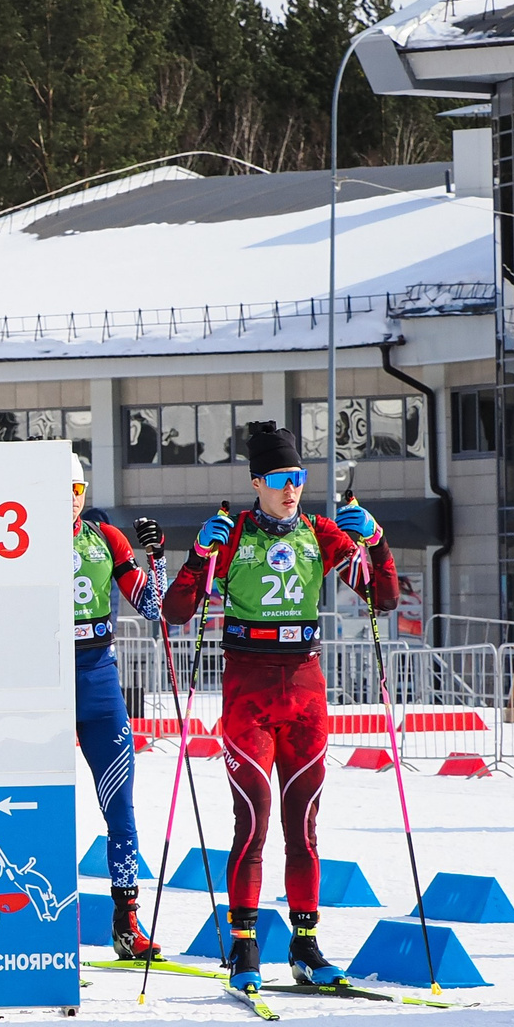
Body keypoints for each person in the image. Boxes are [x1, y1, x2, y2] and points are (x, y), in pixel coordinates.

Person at [161, 423, 396, 995]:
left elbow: (381, 598)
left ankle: (305, 944)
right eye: (281, 480)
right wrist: (196, 553)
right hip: (249, 689)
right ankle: (243, 947)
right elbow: (176, 611)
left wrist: (378, 540)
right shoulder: (233, 533)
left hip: (307, 689)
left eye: (299, 479)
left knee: (304, 824)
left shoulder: (321, 532)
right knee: (254, 816)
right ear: (256, 482)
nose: (292, 490)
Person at [67, 457, 169, 960]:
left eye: (79, 486)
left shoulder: (105, 537)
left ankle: (126, 921)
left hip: (99, 679)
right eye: (62, 487)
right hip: (44, 683)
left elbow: (152, 606)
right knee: (42, 802)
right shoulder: (19, 540)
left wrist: (158, 557)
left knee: (120, 807)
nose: (72, 495)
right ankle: (39, 918)